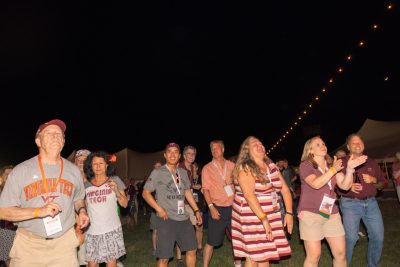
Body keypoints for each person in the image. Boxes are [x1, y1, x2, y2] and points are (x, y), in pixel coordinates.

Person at [0, 119, 90, 267]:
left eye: (59, 134)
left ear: (64, 141)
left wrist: (82, 211)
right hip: (29, 247)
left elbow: (79, 199)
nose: (56, 136)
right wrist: (37, 211)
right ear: (38, 141)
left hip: (64, 246)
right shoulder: (21, 171)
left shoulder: (73, 171)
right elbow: (3, 211)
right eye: (49, 133)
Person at [298, 135, 367, 267]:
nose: (323, 145)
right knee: (314, 255)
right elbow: (316, 184)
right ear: (310, 150)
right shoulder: (305, 165)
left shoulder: (331, 164)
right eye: (318, 144)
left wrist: (350, 170)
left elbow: (345, 186)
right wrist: (333, 170)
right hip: (310, 214)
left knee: (340, 254)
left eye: (323, 143)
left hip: (331, 213)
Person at [231, 136, 293, 266]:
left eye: (261, 143)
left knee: (265, 255)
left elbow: (285, 190)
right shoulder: (245, 167)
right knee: (255, 255)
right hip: (252, 216)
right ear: (247, 150)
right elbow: (249, 195)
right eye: (255, 144)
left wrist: (289, 213)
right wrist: (264, 219)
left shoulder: (271, 166)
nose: (260, 146)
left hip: (271, 213)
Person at [142, 143, 202, 267]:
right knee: (164, 259)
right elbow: (145, 193)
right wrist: (158, 208)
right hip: (166, 219)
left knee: (192, 250)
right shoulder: (158, 172)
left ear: (179, 156)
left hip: (183, 218)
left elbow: (187, 191)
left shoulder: (183, 172)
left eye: (175, 152)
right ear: (165, 155)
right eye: (169, 151)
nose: (172, 154)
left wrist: (196, 210)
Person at [338, 134, 387, 267]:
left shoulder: (371, 162)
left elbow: (383, 183)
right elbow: (336, 184)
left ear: (363, 145)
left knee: (378, 237)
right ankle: (343, 264)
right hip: (350, 203)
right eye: (353, 143)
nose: (357, 144)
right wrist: (348, 186)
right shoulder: (342, 162)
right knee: (351, 238)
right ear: (348, 147)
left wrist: (374, 180)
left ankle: (372, 265)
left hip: (371, 203)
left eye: (359, 142)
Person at [83, 151, 128, 267]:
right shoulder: (86, 185)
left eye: (101, 163)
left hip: (111, 230)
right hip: (91, 232)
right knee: (92, 265)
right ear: (91, 166)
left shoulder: (115, 180)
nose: (98, 166)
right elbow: (84, 207)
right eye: (94, 164)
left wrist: (117, 191)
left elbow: (124, 204)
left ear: (106, 165)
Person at [202, 140, 241, 267]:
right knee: (211, 241)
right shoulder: (207, 168)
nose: (214, 150)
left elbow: (239, 184)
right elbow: (206, 189)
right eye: (212, 149)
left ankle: (238, 263)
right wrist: (211, 207)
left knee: (237, 239)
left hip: (234, 207)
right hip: (217, 208)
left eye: (216, 148)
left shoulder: (231, 165)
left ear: (223, 149)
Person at [179, 145, 204, 258]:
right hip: (181, 203)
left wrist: (198, 187)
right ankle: (179, 258)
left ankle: (199, 248)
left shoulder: (193, 168)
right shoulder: (179, 167)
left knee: (199, 226)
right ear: (184, 155)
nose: (191, 156)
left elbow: (189, 184)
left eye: (193, 154)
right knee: (180, 229)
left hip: (192, 201)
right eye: (188, 153)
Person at [73, 149, 91, 267]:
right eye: (78, 160)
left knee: (89, 257)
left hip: (92, 225)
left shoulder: (94, 180)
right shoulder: (70, 179)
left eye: (84, 161)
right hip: (73, 225)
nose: (81, 163)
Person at [0, 165, 16, 267]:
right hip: (4, 230)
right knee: (7, 259)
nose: (9, 175)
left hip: (19, 231)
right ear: (2, 176)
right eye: (7, 174)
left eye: (12, 173)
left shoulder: (18, 191)